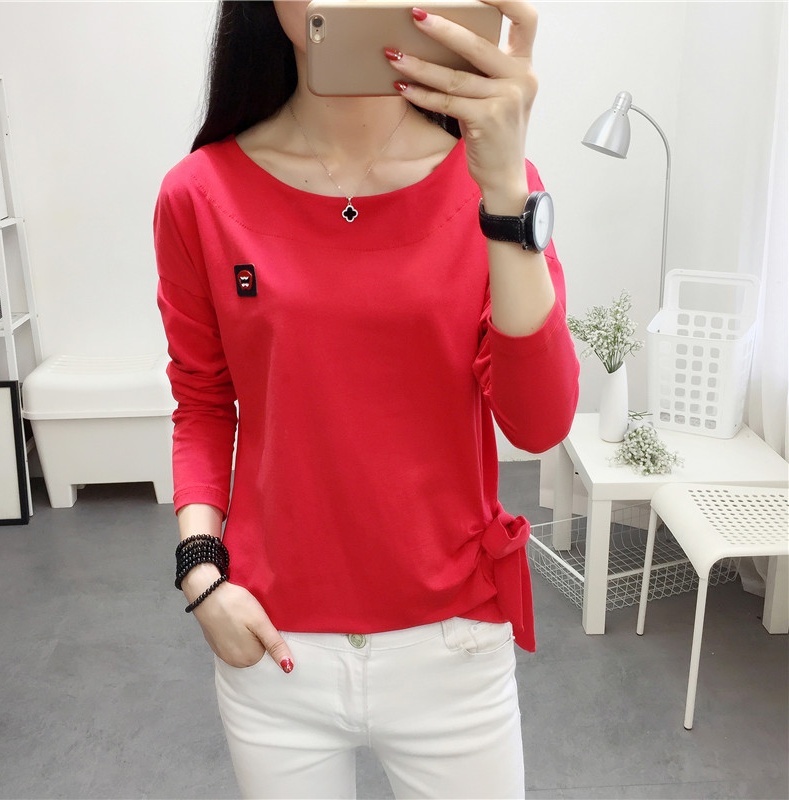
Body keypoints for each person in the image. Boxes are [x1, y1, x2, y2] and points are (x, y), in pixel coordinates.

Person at [154, 1, 579, 797]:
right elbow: (203, 403)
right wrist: (200, 576)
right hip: (274, 645)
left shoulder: (493, 189)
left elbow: (539, 421)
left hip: (453, 646)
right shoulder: (199, 194)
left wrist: (505, 189)